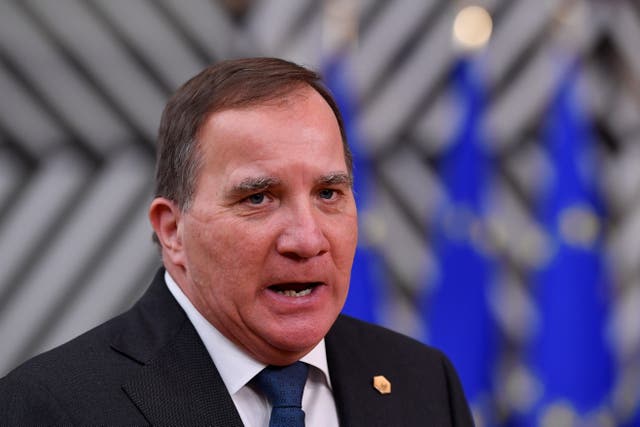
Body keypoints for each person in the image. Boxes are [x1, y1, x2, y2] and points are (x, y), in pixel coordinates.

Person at [0, 57, 473, 426]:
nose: (307, 240)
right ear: (173, 231)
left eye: (329, 193)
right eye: (259, 198)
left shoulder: (423, 383)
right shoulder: (51, 407)